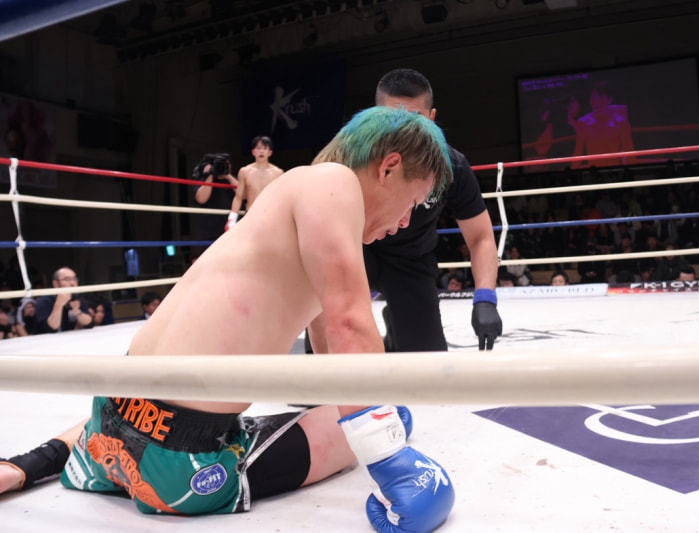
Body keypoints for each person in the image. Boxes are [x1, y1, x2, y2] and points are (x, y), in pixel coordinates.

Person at [0, 106, 455, 532]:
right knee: (391, 420)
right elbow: (349, 326)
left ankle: (30, 463)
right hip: (180, 469)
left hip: (106, 431)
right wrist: (388, 455)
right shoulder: (334, 183)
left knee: (364, 412)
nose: (405, 222)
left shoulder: (293, 199)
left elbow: (329, 346)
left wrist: (359, 409)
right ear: (389, 167)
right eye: (413, 203)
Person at [363, 68, 502, 351]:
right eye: (391, 118)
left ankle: (399, 326)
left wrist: (485, 298)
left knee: (427, 361)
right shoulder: (353, 158)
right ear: (375, 116)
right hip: (354, 252)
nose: (403, 129)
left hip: (410, 259)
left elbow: (480, 237)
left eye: (415, 119)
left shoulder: (451, 165)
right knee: (330, 363)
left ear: (432, 117)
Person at [225, 136, 284, 232]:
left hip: (270, 215)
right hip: (250, 214)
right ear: (253, 152)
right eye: (259, 148)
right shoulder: (245, 171)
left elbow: (281, 199)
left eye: (265, 148)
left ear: (270, 152)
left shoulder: (278, 173)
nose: (261, 151)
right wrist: (232, 218)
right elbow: (238, 197)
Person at [192, 152, 238, 255]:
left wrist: (228, 175)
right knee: (203, 258)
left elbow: (243, 194)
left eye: (226, 163)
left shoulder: (232, 181)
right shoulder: (204, 179)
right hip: (207, 229)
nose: (222, 165)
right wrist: (211, 174)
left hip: (228, 228)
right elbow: (201, 199)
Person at [32, 267, 94, 334]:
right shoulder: (44, 301)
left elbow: (89, 324)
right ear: (56, 284)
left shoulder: (77, 298)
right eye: (67, 279)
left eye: (74, 279)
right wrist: (59, 305)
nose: (73, 283)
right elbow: (50, 328)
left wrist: (77, 311)